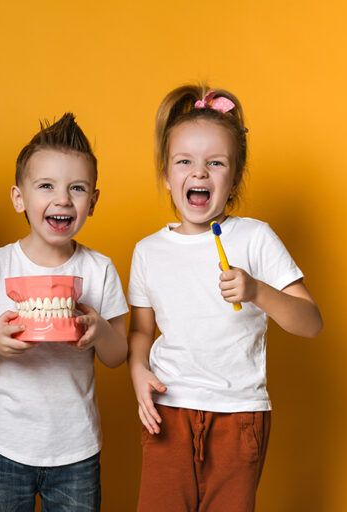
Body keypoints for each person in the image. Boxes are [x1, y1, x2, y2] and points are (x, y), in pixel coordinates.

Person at [128, 84, 323, 511]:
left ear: (233, 177)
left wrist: (257, 290)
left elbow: (311, 322)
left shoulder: (254, 237)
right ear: (166, 173)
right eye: (185, 162)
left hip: (238, 415)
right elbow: (141, 330)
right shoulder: (147, 252)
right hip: (167, 410)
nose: (199, 174)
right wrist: (138, 371)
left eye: (215, 163)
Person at [0, 113, 129, 511]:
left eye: (77, 188)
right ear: (19, 197)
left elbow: (118, 356)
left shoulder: (99, 269)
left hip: (76, 450)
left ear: (93, 201)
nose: (62, 199)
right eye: (46, 186)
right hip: (5, 445)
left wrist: (99, 331)